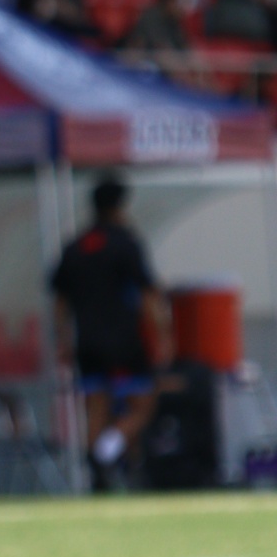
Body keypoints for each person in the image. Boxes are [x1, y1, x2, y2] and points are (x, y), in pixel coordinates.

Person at [51, 177, 172, 491]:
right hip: (124, 342)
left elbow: (60, 301)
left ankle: (100, 473)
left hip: (87, 343)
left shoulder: (75, 246)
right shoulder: (125, 243)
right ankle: (106, 451)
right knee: (143, 404)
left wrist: (62, 340)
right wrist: (163, 337)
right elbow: (148, 296)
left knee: (96, 406)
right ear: (120, 207)